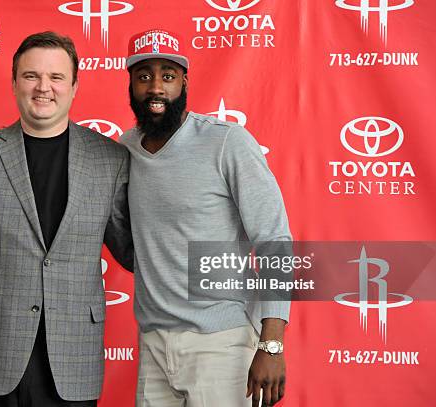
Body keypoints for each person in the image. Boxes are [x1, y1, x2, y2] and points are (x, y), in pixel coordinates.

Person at [0, 31, 132, 407]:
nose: (43, 88)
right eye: (31, 76)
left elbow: (133, 251)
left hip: (73, 362)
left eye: (56, 78)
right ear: (14, 82)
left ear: (74, 86)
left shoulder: (109, 159)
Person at [120, 29, 292, 407]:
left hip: (221, 344)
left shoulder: (226, 142)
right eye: (144, 75)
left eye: (168, 75)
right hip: (153, 345)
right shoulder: (125, 149)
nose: (156, 88)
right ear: (130, 82)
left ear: (184, 82)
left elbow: (274, 239)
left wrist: (272, 343)